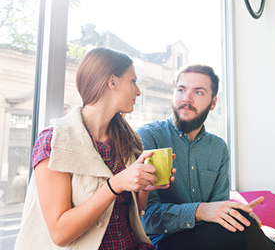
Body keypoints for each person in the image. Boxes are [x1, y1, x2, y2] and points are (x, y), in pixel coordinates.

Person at [15, 47, 174, 249]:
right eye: (133, 81)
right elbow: (59, 233)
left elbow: (132, 213)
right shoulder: (53, 141)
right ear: (112, 82)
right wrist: (114, 185)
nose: (138, 91)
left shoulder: (129, 139)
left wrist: (144, 187)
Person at [137, 64, 275, 250]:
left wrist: (236, 213)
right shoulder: (149, 137)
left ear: (213, 103)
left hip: (208, 237)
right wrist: (199, 211)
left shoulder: (218, 148)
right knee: (244, 230)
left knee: (244, 223)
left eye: (198, 92)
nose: (186, 98)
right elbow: (147, 217)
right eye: (181, 89)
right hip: (162, 241)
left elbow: (218, 209)